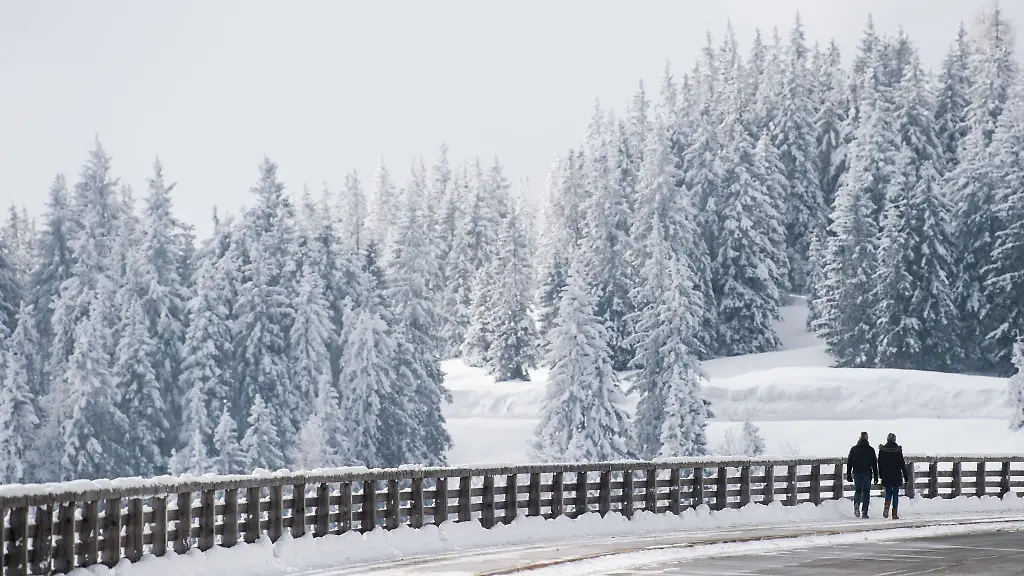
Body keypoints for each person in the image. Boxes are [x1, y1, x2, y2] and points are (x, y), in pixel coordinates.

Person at [878, 432, 909, 519]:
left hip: (886, 474)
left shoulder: (882, 450)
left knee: (888, 492)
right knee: (895, 494)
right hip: (896, 474)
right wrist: (906, 475)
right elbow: (902, 464)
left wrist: (880, 474)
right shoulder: (898, 450)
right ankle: (894, 513)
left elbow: (880, 463)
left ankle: (887, 505)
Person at [846, 431, 878, 518]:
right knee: (866, 492)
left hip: (857, 473)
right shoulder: (870, 450)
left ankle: (856, 505)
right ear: (867, 438)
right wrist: (876, 476)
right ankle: (864, 512)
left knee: (858, 490)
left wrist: (848, 474)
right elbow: (874, 464)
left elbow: (849, 462)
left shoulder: (854, 449)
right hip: (867, 473)